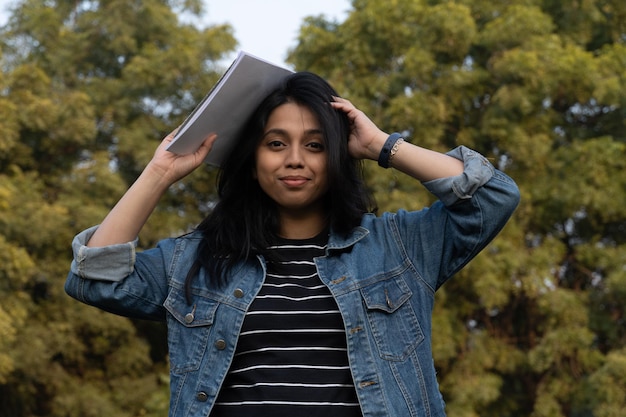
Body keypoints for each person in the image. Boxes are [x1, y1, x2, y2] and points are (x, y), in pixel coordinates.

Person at [65, 71, 520, 417]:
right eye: (276, 143)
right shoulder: (195, 259)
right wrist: (160, 173)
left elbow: (493, 197)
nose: (295, 160)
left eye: (317, 145)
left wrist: (381, 145)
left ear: (337, 155)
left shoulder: (400, 247)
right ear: (253, 157)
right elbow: (95, 278)